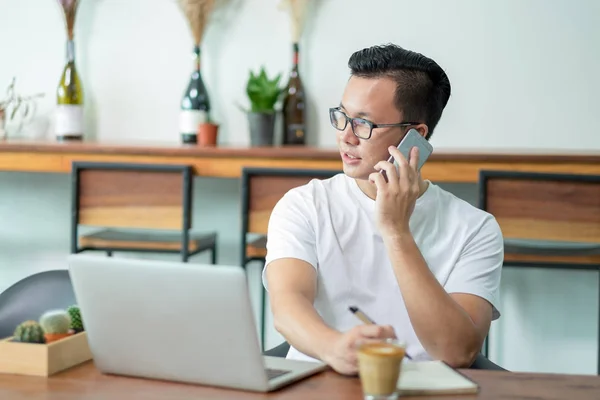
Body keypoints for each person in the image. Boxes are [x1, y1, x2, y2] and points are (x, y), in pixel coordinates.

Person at [262, 43, 503, 375]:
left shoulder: (475, 229)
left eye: (363, 124)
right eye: (342, 117)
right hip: (317, 384)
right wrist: (334, 348)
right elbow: (287, 307)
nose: (346, 137)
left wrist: (396, 231)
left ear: (415, 136)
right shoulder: (305, 205)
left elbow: (457, 351)